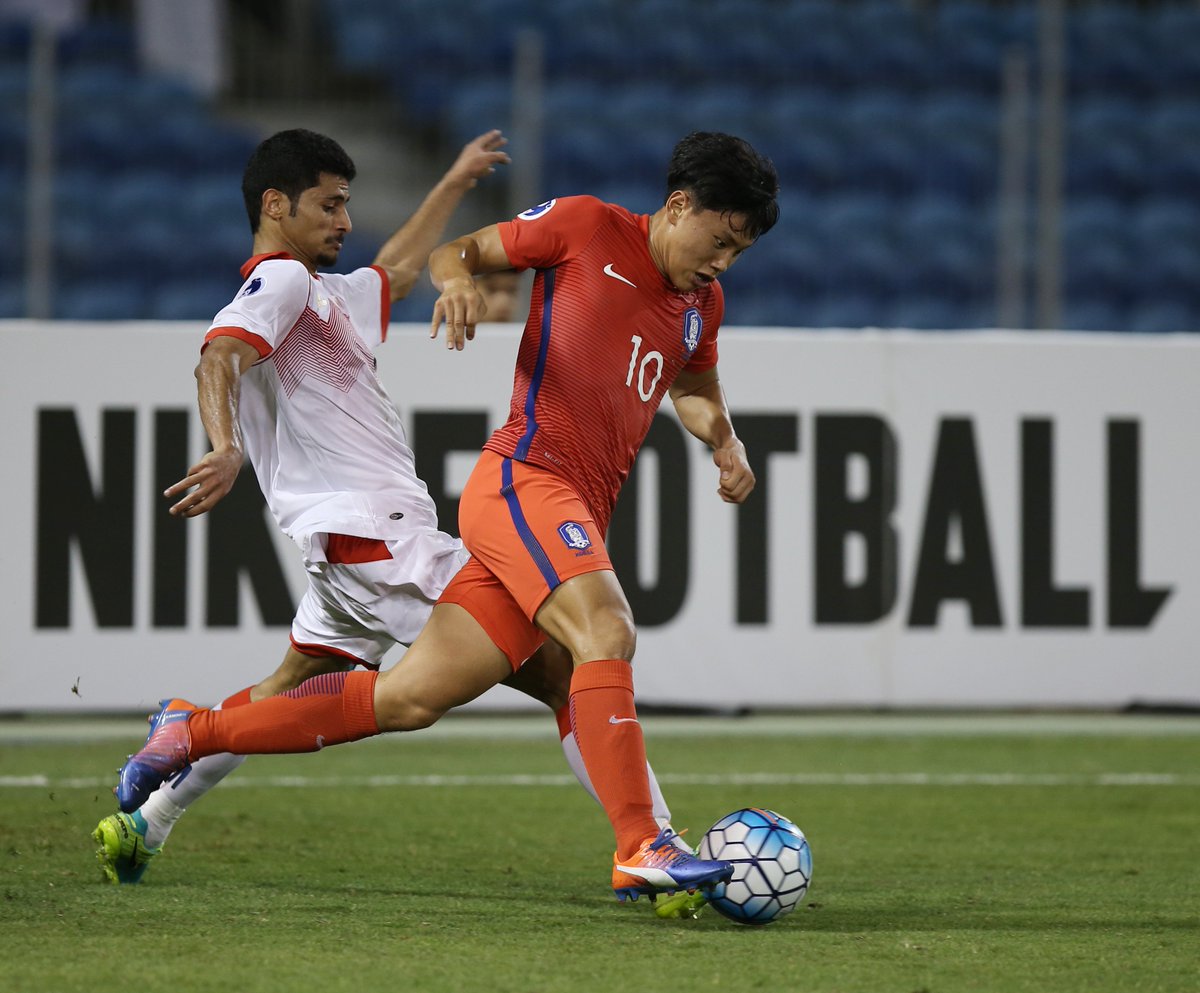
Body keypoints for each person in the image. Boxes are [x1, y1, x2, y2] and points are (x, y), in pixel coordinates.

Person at [115, 131, 780, 905]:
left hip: (559, 507)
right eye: (720, 239)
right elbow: (456, 256)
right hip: (525, 481)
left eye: (738, 252)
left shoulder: (703, 303)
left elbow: (693, 386)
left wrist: (725, 440)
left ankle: (189, 732)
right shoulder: (586, 225)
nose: (722, 261)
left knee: (410, 698)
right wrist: (458, 281)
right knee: (606, 631)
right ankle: (644, 843)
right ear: (678, 205)